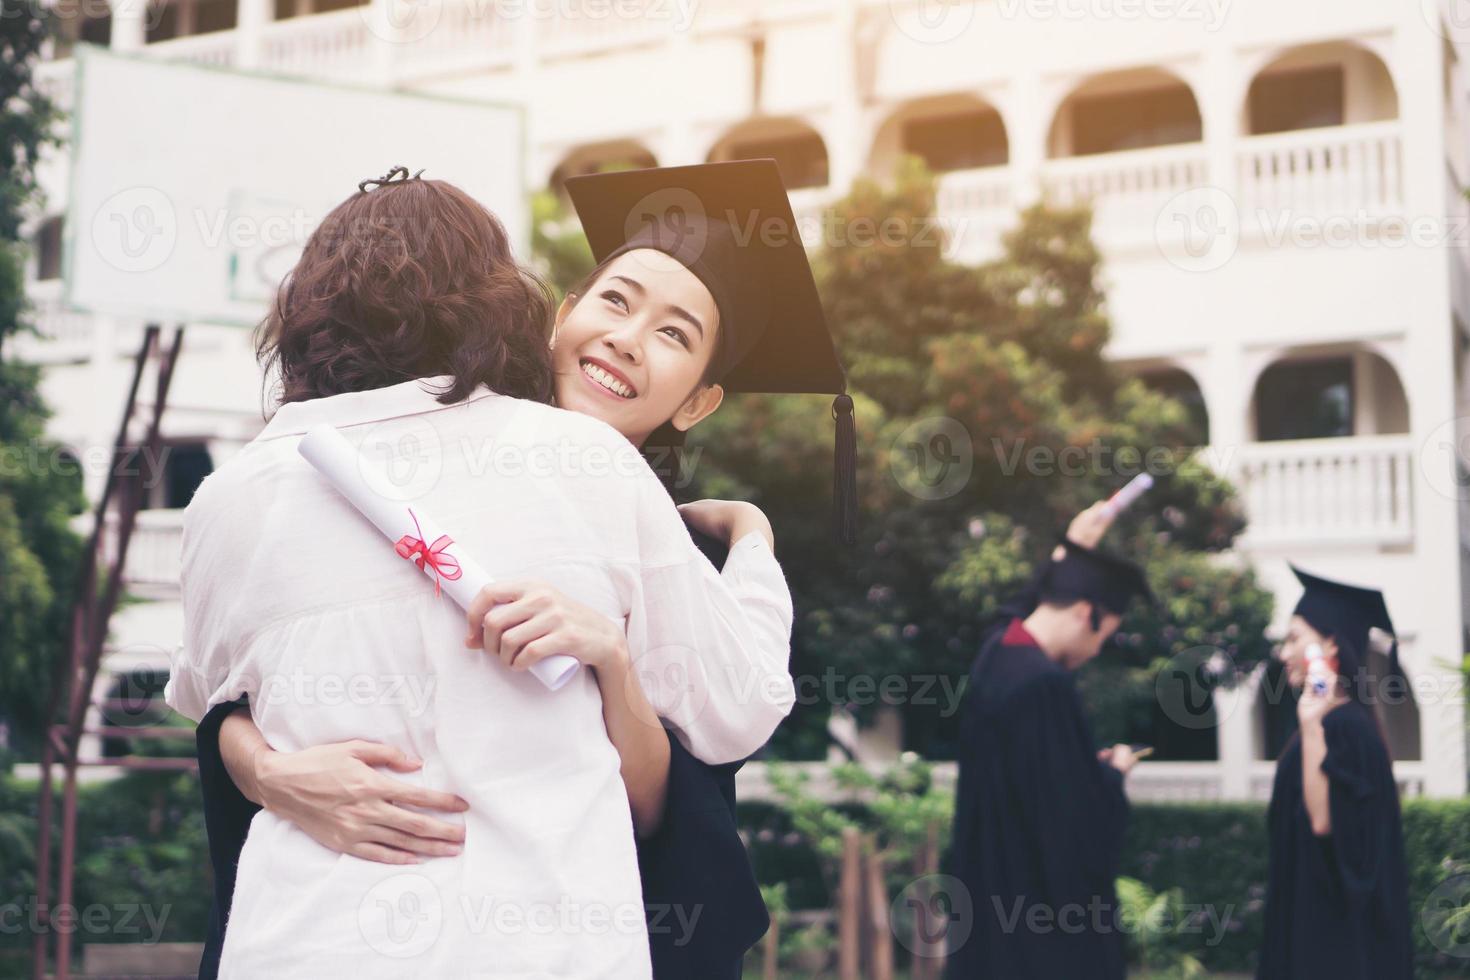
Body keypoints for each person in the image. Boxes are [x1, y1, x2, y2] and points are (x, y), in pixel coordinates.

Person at [186, 161, 855, 979]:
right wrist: (266, 768)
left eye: (675, 334)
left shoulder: (682, 552)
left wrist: (694, 590)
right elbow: (237, 694)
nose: (627, 337)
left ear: (697, 401)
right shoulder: (394, 452)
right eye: (615, 300)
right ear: (560, 314)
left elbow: (683, 804)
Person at [945, 502, 1154, 980]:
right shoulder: (1046, 687)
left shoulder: (997, 652)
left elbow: (1017, 606)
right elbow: (1074, 824)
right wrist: (1111, 773)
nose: (1098, 651)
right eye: (1107, 636)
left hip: (988, 907)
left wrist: (1071, 550)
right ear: (1089, 613)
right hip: (1038, 928)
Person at [1256, 566, 1413, 980]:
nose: (1284, 652)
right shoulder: (1337, 721)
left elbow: (1325, 822)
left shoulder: (1343, 728)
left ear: (1328, 645)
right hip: (1311, 917)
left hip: (1332, 937)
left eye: (1294, 639)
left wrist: (1311, 726)